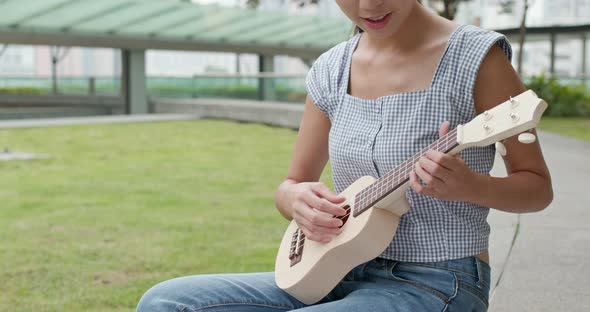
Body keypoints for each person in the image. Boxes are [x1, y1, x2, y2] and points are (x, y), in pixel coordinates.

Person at [137, 0, 553, 311]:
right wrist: (297, 201)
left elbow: (538, 188)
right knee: (166, 302)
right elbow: (292, 183)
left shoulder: (477, 58)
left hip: (440, 281)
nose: (368, 5)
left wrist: (471, 186)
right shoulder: (331, 69)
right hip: (334, 270)